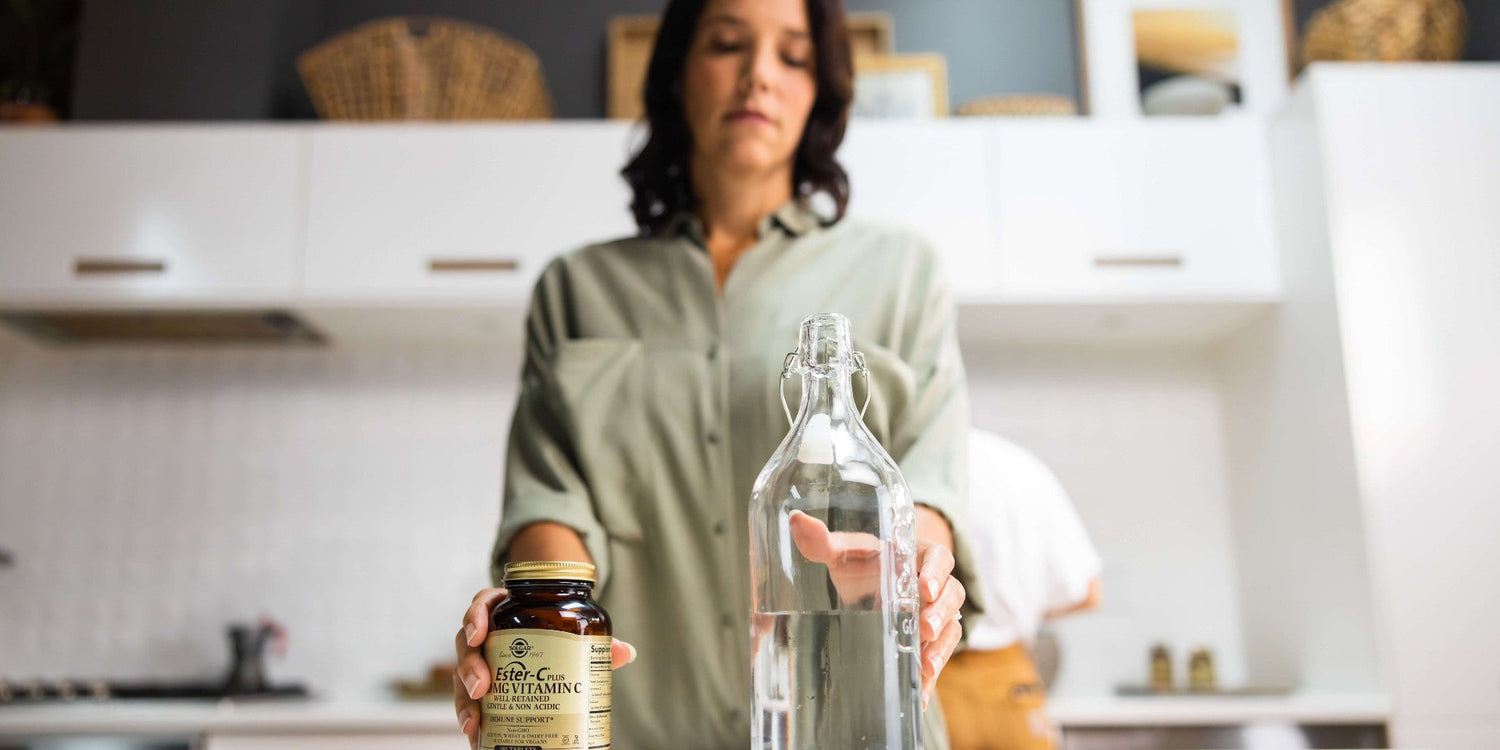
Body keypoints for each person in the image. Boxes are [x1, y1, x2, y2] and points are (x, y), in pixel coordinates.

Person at [450, 0, 979, 747]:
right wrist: (536, 624)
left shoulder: (900, 272)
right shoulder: (578, 289)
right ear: (675, 78)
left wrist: (912, 578)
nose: (758, 76)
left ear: (819, 92)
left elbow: (929, 484)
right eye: (728, 45)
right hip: (640, 728)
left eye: (793, 57)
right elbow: (551, 499)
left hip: (854, 728)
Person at [935, 428, 1102, 750]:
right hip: (1014, 688)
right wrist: (1017, 608)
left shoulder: (910, 465)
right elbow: (1089, 593)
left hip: (935, 679)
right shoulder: (1024, 468)